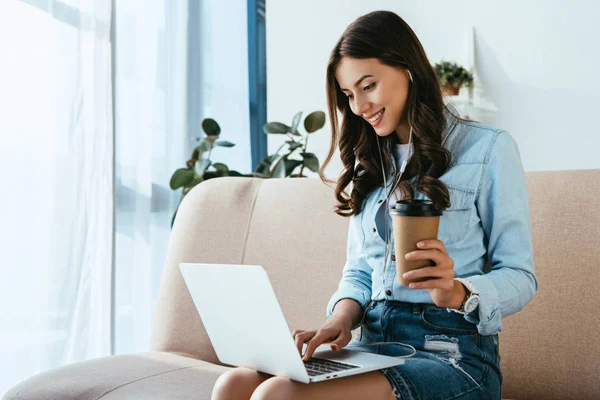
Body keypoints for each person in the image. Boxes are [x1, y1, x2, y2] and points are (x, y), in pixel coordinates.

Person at [211, 10, 538, 400]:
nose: (360, 106)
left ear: (408, 69)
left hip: (451, 355)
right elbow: (360, 273)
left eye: (368, 86)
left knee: (277, 394)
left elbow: (521, 275)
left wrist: (458, 291)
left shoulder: (488, 149)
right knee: (234, 384)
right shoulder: (371, 161)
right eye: (349, 95)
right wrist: (340, 319)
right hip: (373, 345)